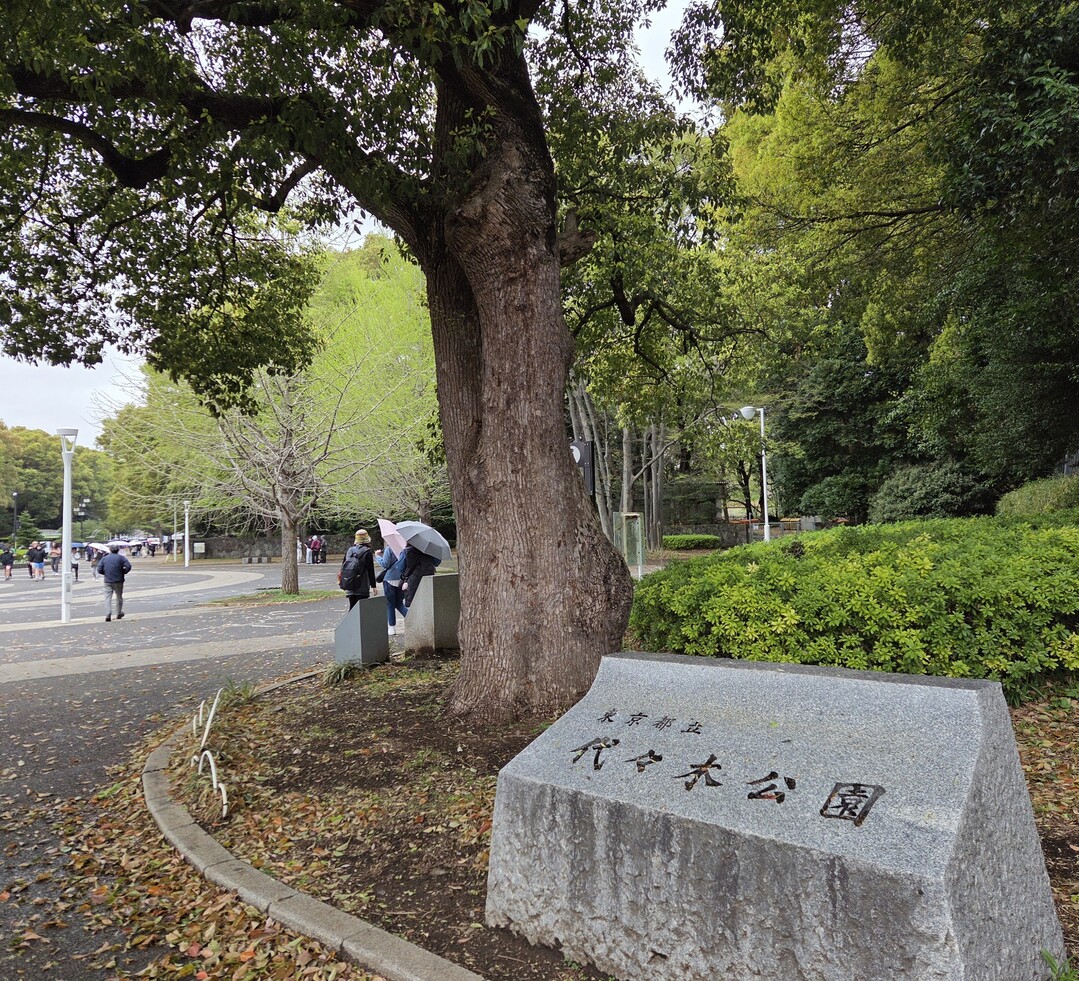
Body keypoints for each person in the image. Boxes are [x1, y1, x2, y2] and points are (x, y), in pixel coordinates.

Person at [338, 528, 377, 610]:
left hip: (349, 583)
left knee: (352, 608)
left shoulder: (350, 550)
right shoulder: (367, 552)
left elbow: (343, 567)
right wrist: (373, 586)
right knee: (362, 610)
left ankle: (350, 619)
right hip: (362, 585)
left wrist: (342, 581)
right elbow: (370, 570)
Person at [376, 545, 409, 635]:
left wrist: (377, 556)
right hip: (401, 579)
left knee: (390, 604)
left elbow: (385, 564)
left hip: (389, 579)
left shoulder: (389, 548)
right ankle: (411, 617)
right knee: (399, 603)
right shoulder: (404, 548)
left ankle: (392, 627)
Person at [98, 543, 132, 622]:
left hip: (107, 580)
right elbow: (128, 566)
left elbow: (99, 569)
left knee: (107, 597)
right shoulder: (121, 558)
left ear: (110, 550)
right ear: (118, 550)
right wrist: (124, 571)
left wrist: (105, 573)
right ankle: (118, 612)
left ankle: (108, 613)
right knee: (119, 596)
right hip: (118, 580)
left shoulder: (104, 558)